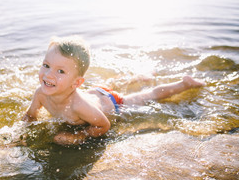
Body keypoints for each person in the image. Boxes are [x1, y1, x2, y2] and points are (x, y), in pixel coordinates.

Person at [22, 37, 205, 146]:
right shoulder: (41, 93)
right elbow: (30, 116)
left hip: (111, 101)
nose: (48, 74)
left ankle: (184, 84)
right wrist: (20, 135)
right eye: (46, 65)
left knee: (147, 96)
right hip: (94, 92)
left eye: (60, 71)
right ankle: (140, 76)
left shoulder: (80, 107)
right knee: (112, 84)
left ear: (76, 83)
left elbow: (103, 125)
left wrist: (79, 135)